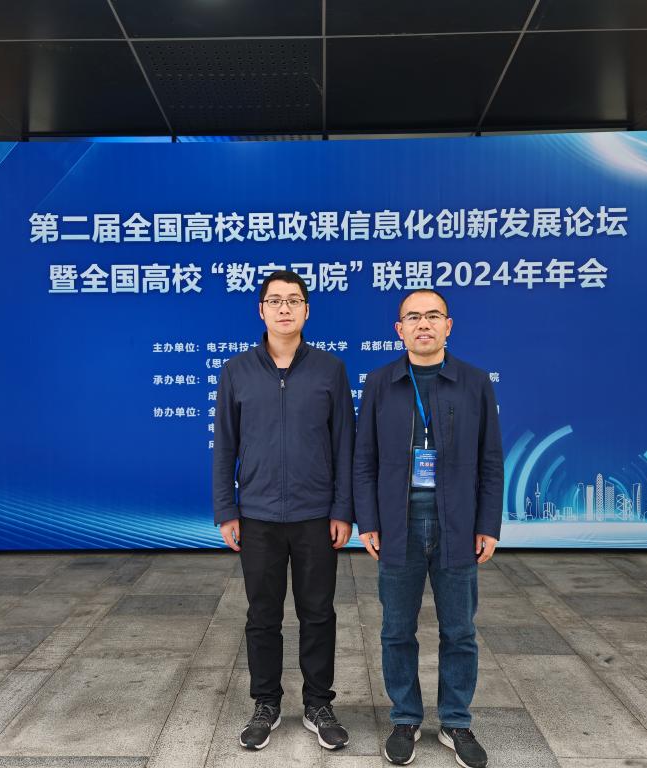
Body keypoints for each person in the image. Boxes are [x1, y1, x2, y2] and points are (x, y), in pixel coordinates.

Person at [353, 288, 504, 768]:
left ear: (448, 325)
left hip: (457, 523)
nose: (424, 324)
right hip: (397, 524)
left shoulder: (474, 382)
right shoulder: (380, 382)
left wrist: (488, 524)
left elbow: (491, 459)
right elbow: (364, 459)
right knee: (397, 629)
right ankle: (405, 718)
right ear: (399, 329)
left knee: (459, 631)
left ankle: (456, 721)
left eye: (433, 316)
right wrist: (368, 521)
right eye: (413, 317)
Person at [213, 270, 354, 751]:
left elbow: (345, 444)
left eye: (294, 300)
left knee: (318, 613)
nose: (284, 308)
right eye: (275, 301)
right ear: (261, 310)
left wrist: (342, 509)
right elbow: (224, 446)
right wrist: (227, 509)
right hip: (257, 516)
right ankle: (266, 704)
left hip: (316, 515)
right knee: (262, 614)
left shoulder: (330, 369)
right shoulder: (236, 371)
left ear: (307, 310)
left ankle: (318, 704)